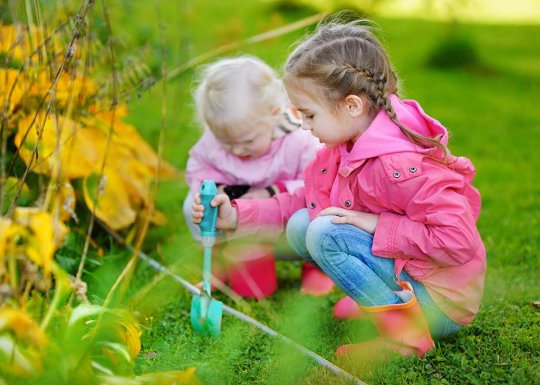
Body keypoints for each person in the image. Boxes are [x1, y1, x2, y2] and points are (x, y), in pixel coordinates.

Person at [191, 19, 486, 360]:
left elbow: (457, 242)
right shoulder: (343, 148)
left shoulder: (400, 166)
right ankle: (382, 297)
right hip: (413, 276)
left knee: (326, 234)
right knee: (304, 224)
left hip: (442, 304)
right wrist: (235, 214)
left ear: (351, 105)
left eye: (309, 115)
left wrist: (374, 223)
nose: (302, 125)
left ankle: (406, 337)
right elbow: (304, 200)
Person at [183, 55, 334, 297]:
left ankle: (317, 267)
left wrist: (271, 192)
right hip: (236, 214)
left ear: (274, 114)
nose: (237, 150)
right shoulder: (216, 141)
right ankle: (219, 262)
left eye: (247, 141)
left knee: (311, 218)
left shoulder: (299, 140)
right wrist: (213, 190)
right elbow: (200, 166)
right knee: (192, 206)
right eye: (226, 143)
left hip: (285, 217)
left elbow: (317, 184)